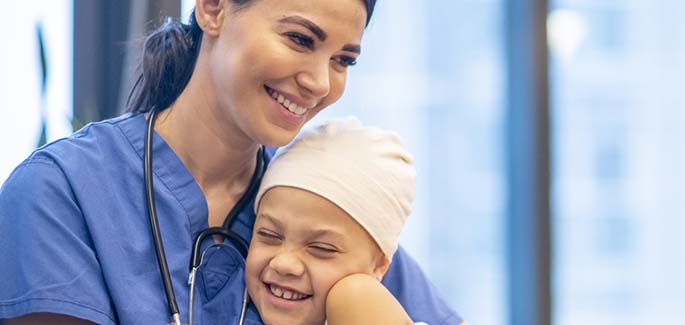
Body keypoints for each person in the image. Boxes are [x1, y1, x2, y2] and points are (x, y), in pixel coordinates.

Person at [0, 0, 463, 324]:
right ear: (214, 7)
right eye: (300, 38)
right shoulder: (61, 194)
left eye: (343, 60)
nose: (321, 82)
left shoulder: (319, 196)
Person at [248, 117, 419, 325]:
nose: (284, 264)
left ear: (380, 265)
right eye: (268, 235)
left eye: (321, 248)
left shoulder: (357, 299)